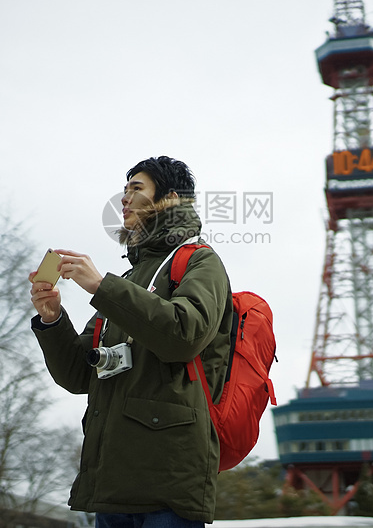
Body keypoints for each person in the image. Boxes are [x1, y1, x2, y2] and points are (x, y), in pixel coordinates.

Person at [29, 156, 233, 528]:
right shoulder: (129, 278)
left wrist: (100, 286)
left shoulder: (201, 262)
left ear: (170, 199)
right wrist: (52, 319)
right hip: (111, 482)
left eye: (136, 189)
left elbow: (183, 337)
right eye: (124, 190)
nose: (124, 199)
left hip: (167, 484)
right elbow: (77, 374)